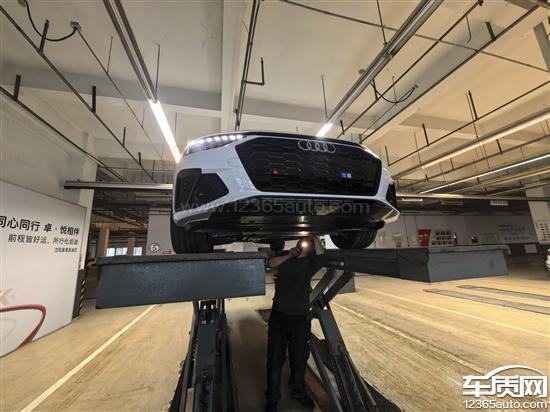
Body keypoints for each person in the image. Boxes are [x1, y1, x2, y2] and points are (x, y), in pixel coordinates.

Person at [265, 235, 327, 412]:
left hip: (299, 318)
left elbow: (323, 257)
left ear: (311, 249)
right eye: (303, 242)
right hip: (279, 316)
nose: (305, 245)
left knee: (299, 357)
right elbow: (270, 263)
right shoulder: (285, 258)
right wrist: (289, 255)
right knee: (275, 358)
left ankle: (298, 392)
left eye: (308, 244)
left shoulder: (310, 264)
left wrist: (314, 235)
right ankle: (272, 399)